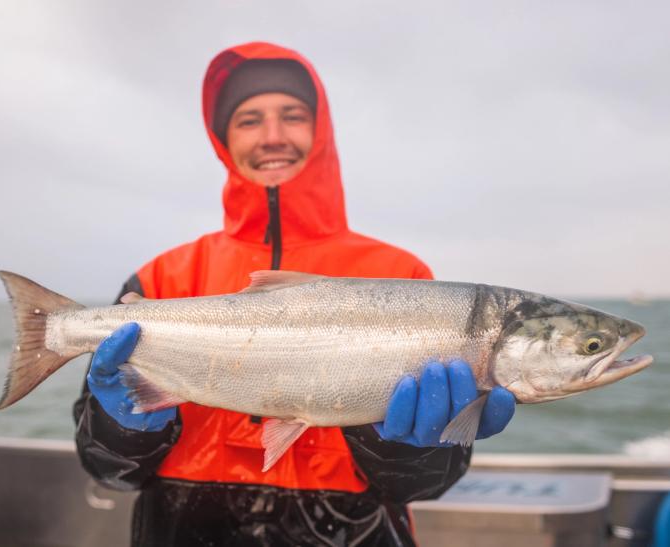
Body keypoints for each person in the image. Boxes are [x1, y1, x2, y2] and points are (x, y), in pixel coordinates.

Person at [74, 42, 515, 546]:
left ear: (320, 128)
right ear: (223, 139)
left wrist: (411, 451)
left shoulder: (402, 275)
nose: (273, 136)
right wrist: (121, 429)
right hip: (182, 525)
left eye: (292, 115)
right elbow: (108, 471)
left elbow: (425, 485)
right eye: (249, 120)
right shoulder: (162, 280)